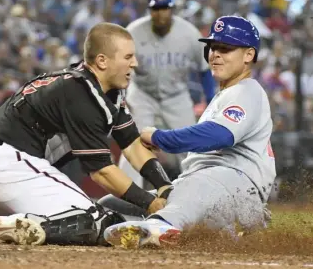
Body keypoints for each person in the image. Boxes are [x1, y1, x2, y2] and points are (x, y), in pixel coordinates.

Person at [0, 22, 173, 246]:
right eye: (128, 57)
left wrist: (164, 186)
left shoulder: (99, 88)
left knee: (90, 217)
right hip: (11, 164)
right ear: (102, 61)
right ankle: (24, 225)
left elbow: (131, 144)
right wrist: (150, 202)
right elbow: (102, 172)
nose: (135, 63)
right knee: (97, 220)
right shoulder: (83, 94)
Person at [100, 16, 276, 249]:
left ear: (249, 55)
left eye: (226, 48)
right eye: (213, 47)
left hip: (235, 184)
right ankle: (224, 234)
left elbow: (218, 135)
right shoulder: (225, 95)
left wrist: (158, 137)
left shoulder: (248, 90)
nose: (215, 54)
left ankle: (162, 225)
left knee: (196, 185)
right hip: (208, 190)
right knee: (111, 204)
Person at [118, 0, 216, 187]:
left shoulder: (189, 34)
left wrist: (211, 101)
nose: (161, 13)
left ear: (172, 10)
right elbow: (118, 68)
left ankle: (199, 192)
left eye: (165, 8)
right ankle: (126, 201)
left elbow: (204, 69)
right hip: (142, 95)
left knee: (191, 147)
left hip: (176, 96)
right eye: (156, 9)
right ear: (150, 10)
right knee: (133, 144)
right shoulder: (133, 32)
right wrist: (119, 97)